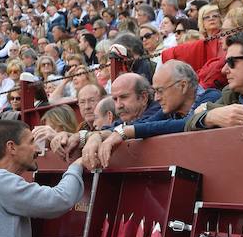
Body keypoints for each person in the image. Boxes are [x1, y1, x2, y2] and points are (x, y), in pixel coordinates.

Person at [86, 61, 220, 168]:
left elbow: (187, 123)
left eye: (160, 91)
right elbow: (145, 123)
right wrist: (97, 135)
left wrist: (126, 132)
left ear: (183, 86)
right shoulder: (169, 110)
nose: (156, 98)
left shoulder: (211, 97)